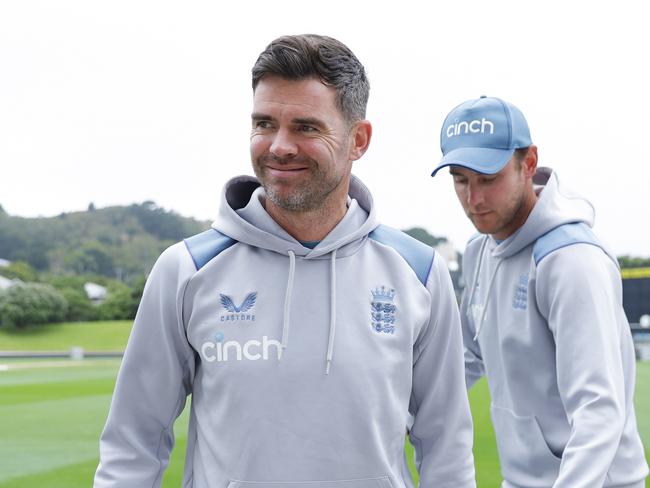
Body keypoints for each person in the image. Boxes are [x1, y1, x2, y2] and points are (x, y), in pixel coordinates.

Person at [94, 34, 476, 488]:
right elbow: (133, 443)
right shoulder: (185, 270)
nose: (278, 146)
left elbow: (446, 445)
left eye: (306, 127)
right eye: (263, 123)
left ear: (359, 139)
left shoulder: (419, 272)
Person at [431, 95, 649, 488]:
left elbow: (598, 409)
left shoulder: (571, 260)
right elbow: (463, 358)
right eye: (460, 180)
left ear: (528, 163)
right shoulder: (480, 250)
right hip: (522, 480)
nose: (473, 199)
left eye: (488, 179)